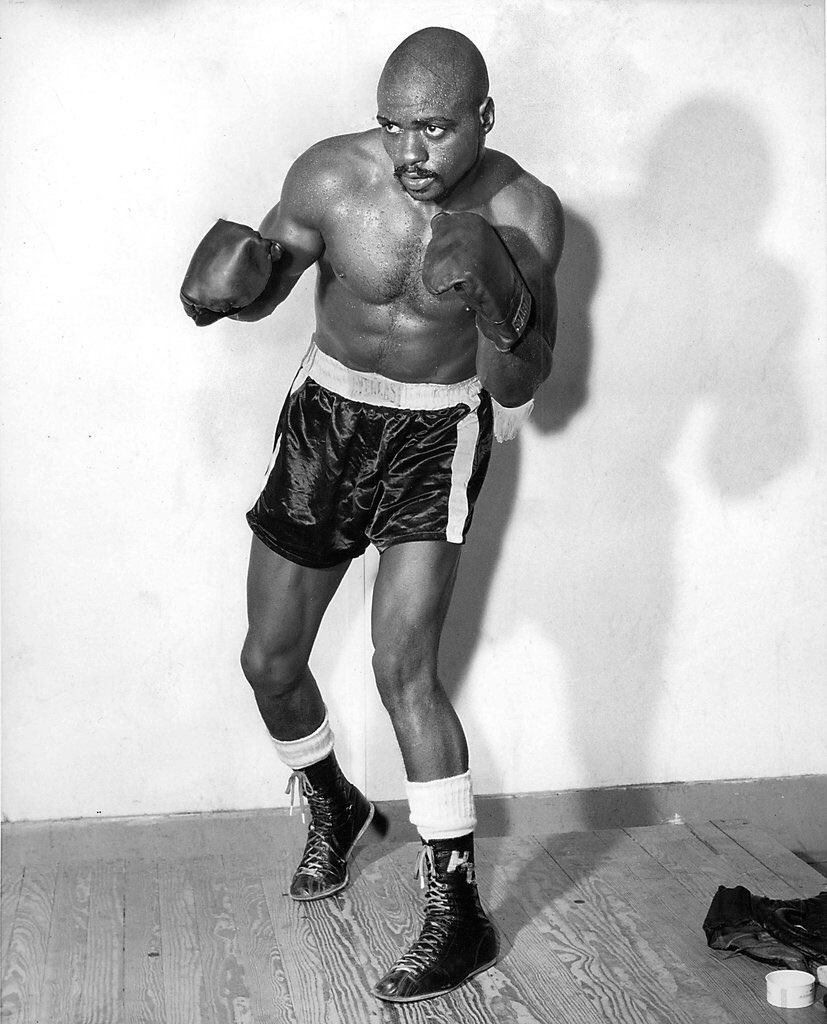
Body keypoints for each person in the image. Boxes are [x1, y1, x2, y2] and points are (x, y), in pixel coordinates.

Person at [180, 26, 564, 1004]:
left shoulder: (519, 210)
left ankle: (457, 906)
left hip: (437, 436)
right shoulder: (331, 177)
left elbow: (520, 381)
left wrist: (500, 298)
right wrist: (242, 283)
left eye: (432, 129)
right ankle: (335, 802)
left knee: (402, 667)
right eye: (392, 126)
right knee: (268, 660)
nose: (408, 154)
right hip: (324, 418)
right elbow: (268, 279)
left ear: (482, 117)